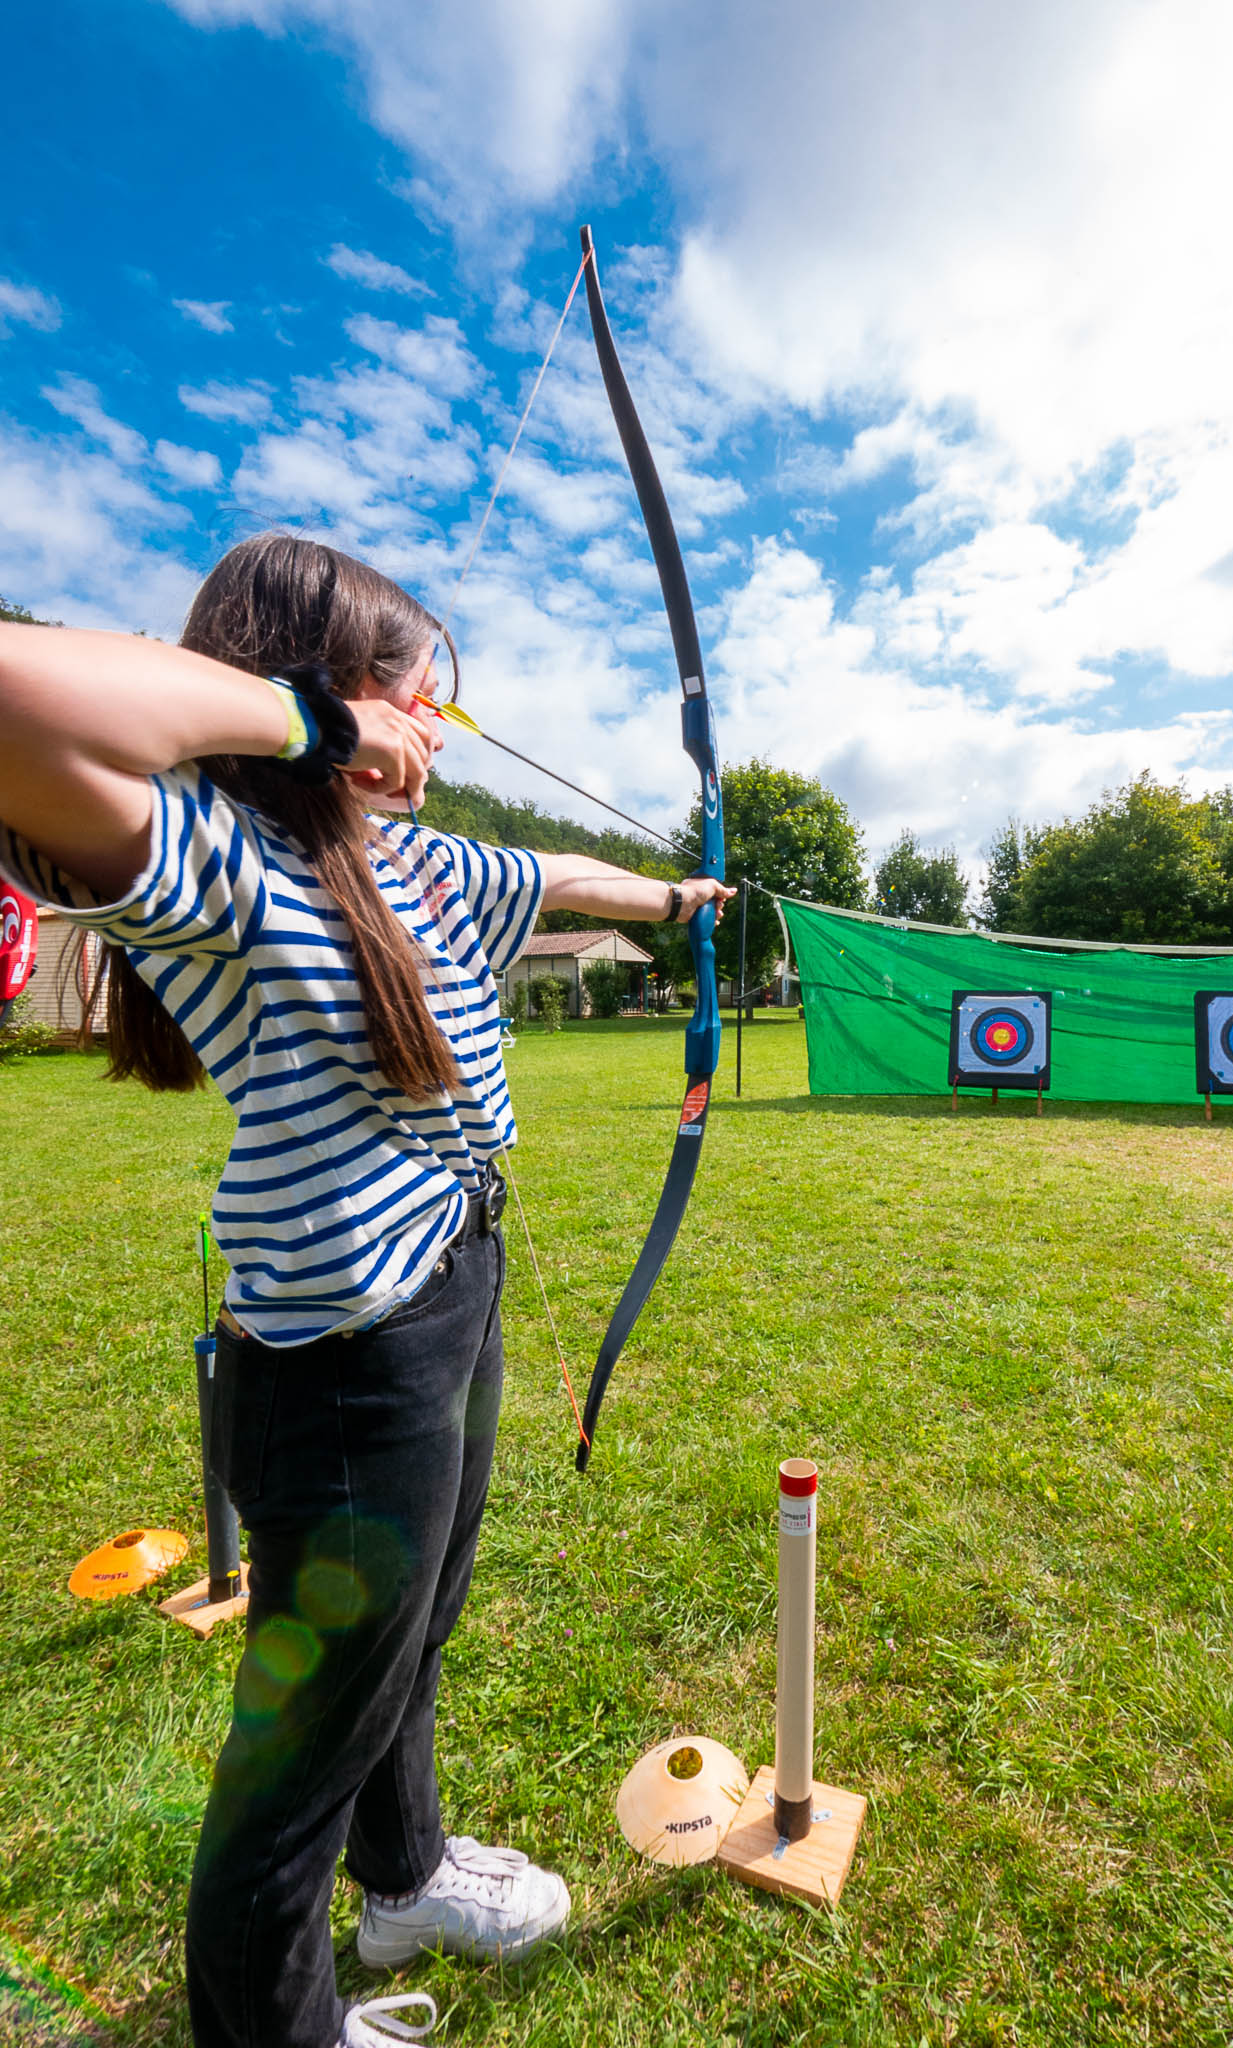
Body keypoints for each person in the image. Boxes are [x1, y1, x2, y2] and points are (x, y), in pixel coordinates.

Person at [0, 532, 733, 2048]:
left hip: (453, 1283)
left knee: (412, 1631)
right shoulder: (218, 856)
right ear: (334, 691)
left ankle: (402, 1879)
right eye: (419, 695)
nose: (437, 726)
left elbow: (557, 872)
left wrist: (678, 900)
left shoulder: (418, 861)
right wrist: (314, 725)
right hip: (337, 1358)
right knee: (297, 1755)